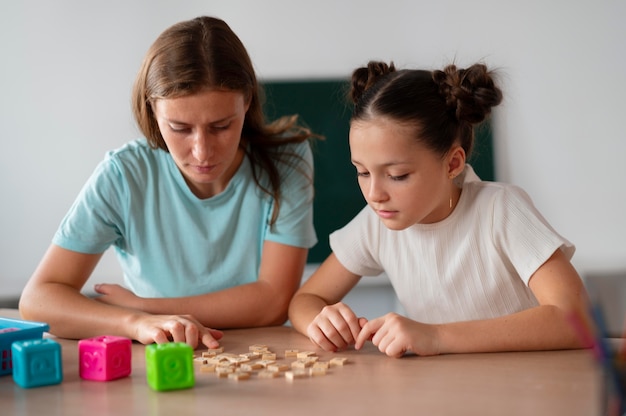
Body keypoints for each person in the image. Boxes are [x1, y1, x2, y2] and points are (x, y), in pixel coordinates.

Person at [19, 16, 318, 349]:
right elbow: (38, 301)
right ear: (153, 110)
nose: (202, 152)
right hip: (159, 358)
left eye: (221, 126)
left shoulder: (287, 160)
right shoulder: (123, 174)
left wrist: (144, 306)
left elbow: (273, 303)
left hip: (260, 357)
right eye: (180, 128)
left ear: (246, 102)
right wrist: (136, 323)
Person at [288, 61, 591, 358]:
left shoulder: (501, 210)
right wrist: (321, 320)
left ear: (453, 164)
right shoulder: (375, 224)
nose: (374, 194)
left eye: (397, 176)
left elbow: (576, 321)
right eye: (362, 172)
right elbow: (305, 299)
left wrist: (436, 335)